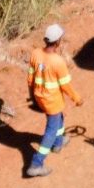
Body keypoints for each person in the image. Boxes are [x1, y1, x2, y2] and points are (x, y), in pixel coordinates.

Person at [25, 22, 82, 178]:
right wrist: (77, 99)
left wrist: (32, 97)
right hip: (52, 101)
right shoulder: (58, 62)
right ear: (57, 42)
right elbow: (66, 86)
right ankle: (36, 163)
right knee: (50, 129)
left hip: (39, 96)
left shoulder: (35, 54)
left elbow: (30, 78)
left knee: (59, 119)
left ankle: (58, 143)